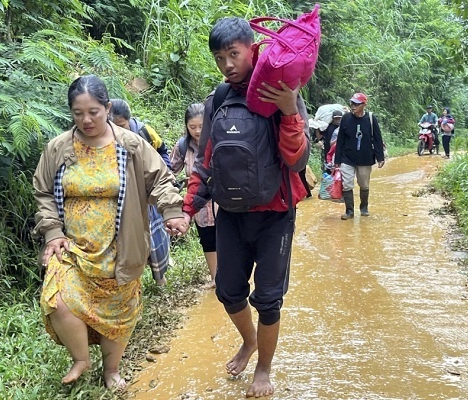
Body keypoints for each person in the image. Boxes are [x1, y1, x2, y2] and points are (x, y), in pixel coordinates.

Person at [32, 75, 188, 389]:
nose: (86, 119)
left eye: (93, 111)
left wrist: (172, 212)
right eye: (78, 113)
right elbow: (43, 191)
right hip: (72, 248)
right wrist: (52, 231)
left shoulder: (131, 145)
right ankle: (81, 358)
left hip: (120, 246)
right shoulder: (58, 148)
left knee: (118, 312)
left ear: (107, 108)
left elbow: (160, 179)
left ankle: (111, 370)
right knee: (56, 298)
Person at [181, 17, 309, 398]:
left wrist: (288, 110)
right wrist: (188, 210)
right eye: (220, 58)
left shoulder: (280, 90)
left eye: (233, 54)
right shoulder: (218, 99)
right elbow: (206, 160)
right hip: (232, 214)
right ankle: (249, 341)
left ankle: (264, 369)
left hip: (275, 214)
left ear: (252, 49)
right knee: (228, 291)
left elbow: (298, 160)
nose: (227, 65)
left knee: (268, 299)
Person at [109, 98, 173, 285]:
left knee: (155, 235)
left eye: (121, 125)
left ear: (129, 120)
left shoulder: (144, 132)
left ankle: (160, 277)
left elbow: (162, 151)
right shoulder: (104, 139)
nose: (118, 130)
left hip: (148, 194)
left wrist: (164, 173)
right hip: (124, 198)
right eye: (113, 126)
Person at [170, 103, 218, 289]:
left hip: (222, 202)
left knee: (227, 239)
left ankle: (229, 279)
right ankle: (215, 278)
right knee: (207, 240)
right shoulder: (183, 146)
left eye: (201, 126)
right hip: (198, 204)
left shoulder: (218, 140)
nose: (198, 131)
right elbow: (170, 171)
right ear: (187, 127)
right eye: (193, 127)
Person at [334, 92, 385, 219]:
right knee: (347, 184)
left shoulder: (371, 118)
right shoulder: (346, 118)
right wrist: (337, 159)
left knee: (364, 185)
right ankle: (349, 211)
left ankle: (364, 207)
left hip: (365, 158)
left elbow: (377, 139)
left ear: (364, 105)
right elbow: (340, 139)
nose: (353, 106)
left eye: (356, 104)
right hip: (347, 158)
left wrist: (380, 157)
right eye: (352, 103)